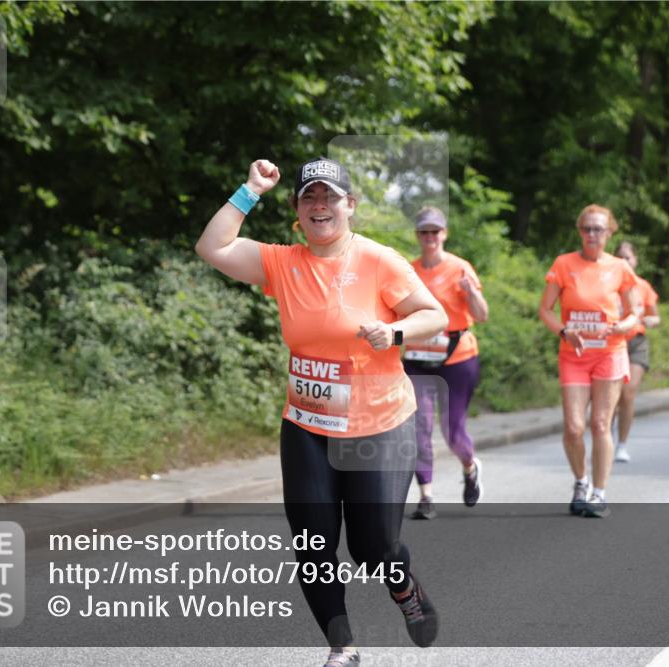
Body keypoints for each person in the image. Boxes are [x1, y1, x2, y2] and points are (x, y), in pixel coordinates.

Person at [195, 157, 448, 667]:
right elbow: (212, 247)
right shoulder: (282, 263)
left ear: (349, 206)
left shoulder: (380, 260)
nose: (319, 206)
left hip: (380, 423)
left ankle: (404, 588)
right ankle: (342, 648)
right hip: (308, 423)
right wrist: (249, 189)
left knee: (373, 548)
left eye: (330, 197)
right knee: (313, 545)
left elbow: (434, 314)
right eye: (309, 197)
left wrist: (394, 332)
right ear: (296, 210)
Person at [538, 205, 640, 518]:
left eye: (598, 229)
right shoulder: (564, 264)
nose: (592, 235)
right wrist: (564, 330)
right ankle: (580, 482)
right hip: (575, 354)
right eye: (587, 229)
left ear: (610, 232)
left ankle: (599, 492)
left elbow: (635, 311)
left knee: (599, 424)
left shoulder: (620, 268)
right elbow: (546, 309)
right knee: (573, 427)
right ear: (579, 231)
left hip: (610, 352)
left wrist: (624, 325)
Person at [401, 207, 489, 520]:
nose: (430, 238)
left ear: (444, 234)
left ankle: (469, 466)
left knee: (452, 430)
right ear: (418, 236)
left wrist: (470, 293)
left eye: (435, 232)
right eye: (424, 232)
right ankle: (426, 495)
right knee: (419, 427)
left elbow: (481, 315)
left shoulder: (460, 268)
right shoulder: (407, 270)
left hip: (457, 355)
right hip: (418, 357)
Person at [612, 241, 661, 463]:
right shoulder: (608, 284)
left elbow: (655, 316)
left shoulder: (643, 286)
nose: (625, 262)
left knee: (628, 392)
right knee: (611, 396)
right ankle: (606, 438)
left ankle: (622, 444)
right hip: (613, 342)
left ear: (636, 260)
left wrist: (652, 320)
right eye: (620, 257)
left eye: (628, 258)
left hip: (636, 342)